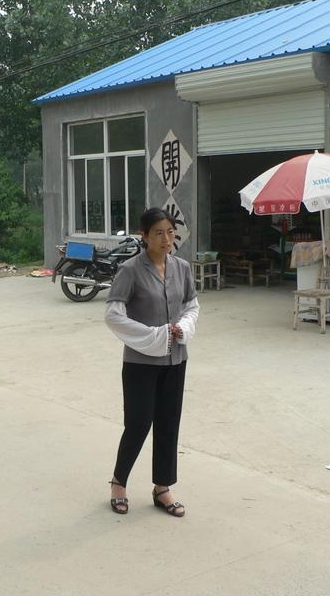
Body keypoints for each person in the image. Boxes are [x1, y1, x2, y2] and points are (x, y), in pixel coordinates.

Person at [104, 208, 200, 517]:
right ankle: (119, 482)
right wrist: (153, 335)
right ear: (144, 236)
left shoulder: (182, 267)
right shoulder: (130, 270)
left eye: (170, 232)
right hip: (141, 362)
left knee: (168, 423)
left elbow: (191, 305)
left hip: (175, 359)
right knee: (139, 423)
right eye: (158, 233)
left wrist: (182, 328)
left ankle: (163, 487)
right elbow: (113, 316)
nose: (166, 238)